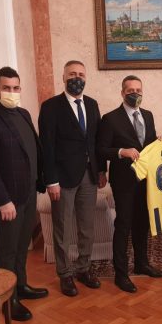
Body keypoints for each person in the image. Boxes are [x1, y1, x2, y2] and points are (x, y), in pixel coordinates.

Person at [0, 67, 48, 321]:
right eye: (6, 88)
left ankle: (21, 286)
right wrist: (3, 200)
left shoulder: (24, 114)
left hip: (28, 192)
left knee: (21, 246)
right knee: (7, 250)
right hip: (8, 199)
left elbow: (32, 151)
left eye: (16, 88)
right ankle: (8, 300)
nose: (12, 92)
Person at [38, 60, 106, 297]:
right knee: (63, 229)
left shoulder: (92, 104)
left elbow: (96, 141)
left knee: (87, 227)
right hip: (63, 178)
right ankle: (65, 273)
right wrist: (51, 181)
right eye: (72, 74)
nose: (77, 78)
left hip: (89, 175)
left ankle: (83, 268)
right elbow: (46, 146)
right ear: (63, 77)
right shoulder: (50, 107)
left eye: (81, 74)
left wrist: (101, 170)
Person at [97, 75, 162, 293]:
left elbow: (149, 145)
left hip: (146, 180)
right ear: (122, 93)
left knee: (143, 223)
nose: (135, 94)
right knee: (124, 224)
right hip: (124, 180)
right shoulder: (110, 119)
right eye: (130, 90)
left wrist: (160, 143)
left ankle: (142, 263)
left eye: (138, 90)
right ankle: (121, 273)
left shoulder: (148, 115)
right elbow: (101, 149)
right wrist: (121, 151)